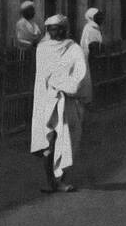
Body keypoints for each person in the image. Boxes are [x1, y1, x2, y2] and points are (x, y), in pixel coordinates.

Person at [30, 15, 91, 193]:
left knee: (67, 140)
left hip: (68, 101)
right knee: (49, 142)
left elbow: (81, 73)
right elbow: (42, 77)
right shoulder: (42, 49)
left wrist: (65, 85)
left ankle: (62, 180)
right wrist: (55, 84)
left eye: (57, 28)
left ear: (64, 29)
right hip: (47, 101)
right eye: (50, 29)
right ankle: (51, 182)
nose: (53, 32)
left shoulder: (74, 49)